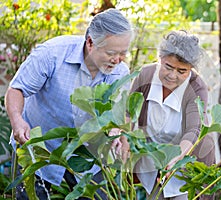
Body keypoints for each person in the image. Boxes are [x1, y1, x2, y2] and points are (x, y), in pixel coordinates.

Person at [4, 8, 133, 199]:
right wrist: (17, 120)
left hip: (87, 156)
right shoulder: (52, 54)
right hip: (39, 148)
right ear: (90, 42)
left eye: (123, 53)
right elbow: (17, 89)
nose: (117, 60)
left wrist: (116, 131)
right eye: (111, 53)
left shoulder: (120, 72)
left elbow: (119, 115)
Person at [130, 30, 215, 199]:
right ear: (160, 58)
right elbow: (128, 113)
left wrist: (178, 157)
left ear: (190, 69)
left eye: (182, 71)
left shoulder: (197, 87)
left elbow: (194, 129)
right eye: (168, 67)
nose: (172, 75)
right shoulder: (145, 76)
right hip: (153, 162)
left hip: (186, 162)